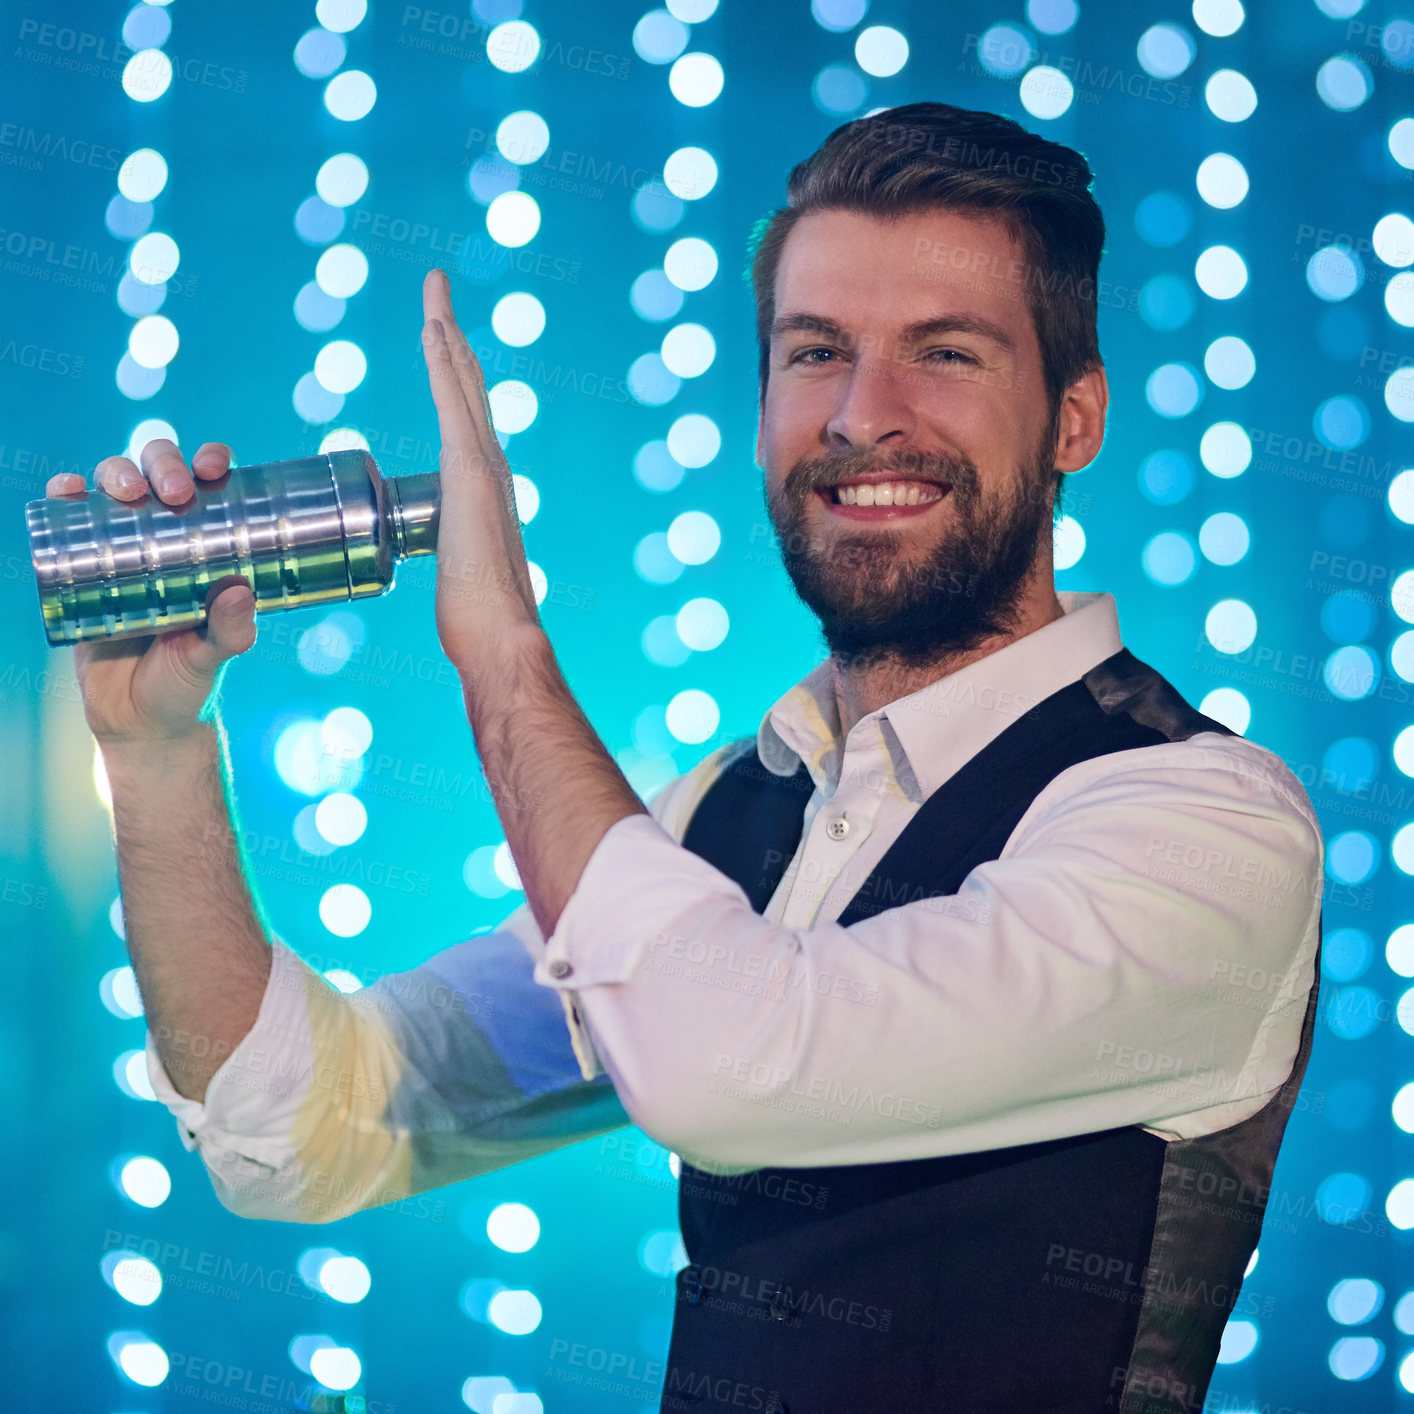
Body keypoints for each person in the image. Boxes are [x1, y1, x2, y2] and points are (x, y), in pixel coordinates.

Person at [51, 102, 1323, 1413]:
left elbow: (739, 1058)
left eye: (944, 354)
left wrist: (500, 648)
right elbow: (305, 1129)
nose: (862, 415)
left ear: (1072, 419)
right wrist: (155, 754)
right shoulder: (732, 808)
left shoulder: (1199, 818)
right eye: (815, 352)